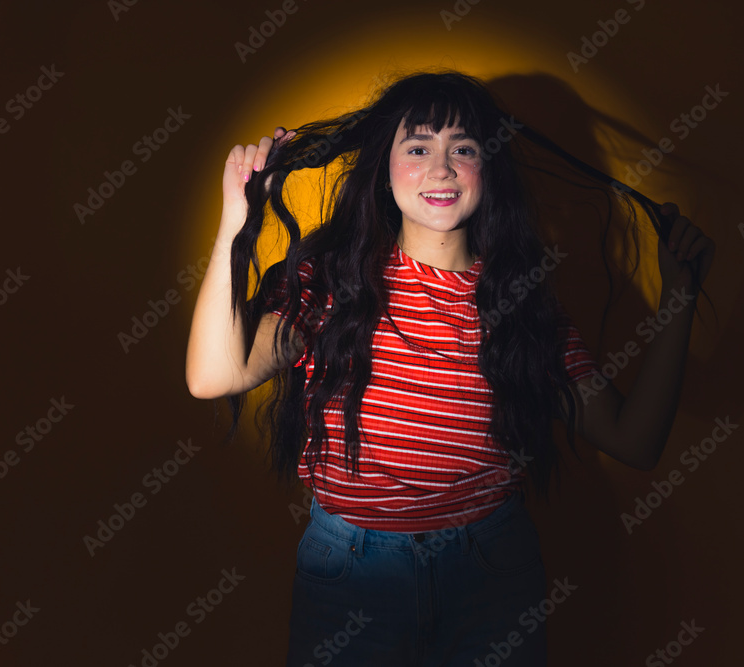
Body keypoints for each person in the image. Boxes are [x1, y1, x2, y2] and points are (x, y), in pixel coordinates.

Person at [185, 69, 715, 666]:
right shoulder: (329, 283)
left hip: (490, 574)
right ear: (384, 169)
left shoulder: (521, 302)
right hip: (350, 575)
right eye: (417, 148)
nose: (441, 169)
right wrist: (236, 226)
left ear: (490, 168)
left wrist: (680, 298)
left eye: (463, 149)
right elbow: (212, 377)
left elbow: (635, 441)